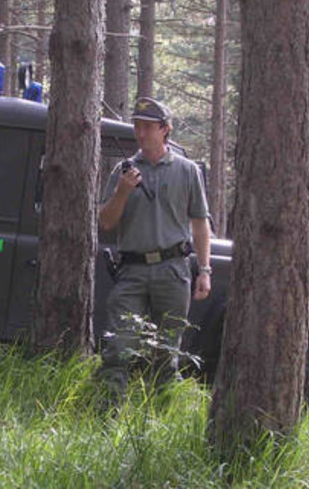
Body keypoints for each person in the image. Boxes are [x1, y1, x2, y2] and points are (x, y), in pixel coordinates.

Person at [97, 97, 212, 396]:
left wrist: (204, 270)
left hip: (173, 271)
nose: (141, 133)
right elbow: (106, 222)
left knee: (166, 353)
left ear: (165, 130)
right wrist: (123, 191)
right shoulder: (122, 172)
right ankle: (107, 418)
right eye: (137, 126)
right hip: (131, 272)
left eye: (148, 127)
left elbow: (200, 223)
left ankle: (161, 421)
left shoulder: (187, 171)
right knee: (119, 347)